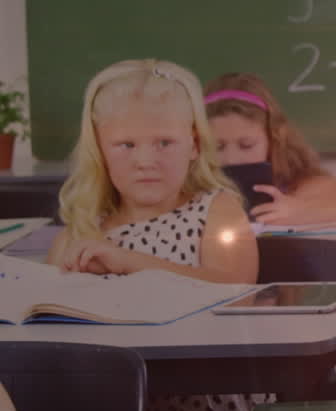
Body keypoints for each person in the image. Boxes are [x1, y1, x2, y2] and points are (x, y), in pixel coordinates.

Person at [49, 60, 257, 283]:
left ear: (194, 145)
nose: (146, 162)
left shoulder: (216, 212)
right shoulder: (78, 234)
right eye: (127, 145)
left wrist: (129, 262)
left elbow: (236, 294)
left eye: (165, 143)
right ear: (99, 151)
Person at [204, 72, 336, 225]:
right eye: (217, 147)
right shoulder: (185, 189)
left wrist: (302, 211)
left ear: (274, 140)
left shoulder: (295, 187)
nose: (231, 159)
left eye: (246, 145)